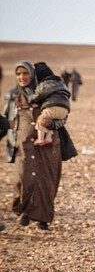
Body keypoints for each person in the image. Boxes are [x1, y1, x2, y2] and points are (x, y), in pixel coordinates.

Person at [2, 62, 69, 230]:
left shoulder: (46, 92)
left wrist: (50, 125)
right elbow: (5, 119)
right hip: (23, 145)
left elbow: (62, 117)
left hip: (48, 146)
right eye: (19, 74)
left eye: (25, 74)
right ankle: (25, 211)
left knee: (46, 181)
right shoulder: (12, 95)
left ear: (32, 75)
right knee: (22, 179)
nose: (22, 77)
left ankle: (42, 218)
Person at [29, 62, 70, 146]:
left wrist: (31, 99)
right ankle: (48, 138)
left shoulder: (44, 84)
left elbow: (39, 95)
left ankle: (40, 139)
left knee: (42, 120)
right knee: (49, 122)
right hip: (65, 109)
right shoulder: (61, 82)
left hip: (53, 106)